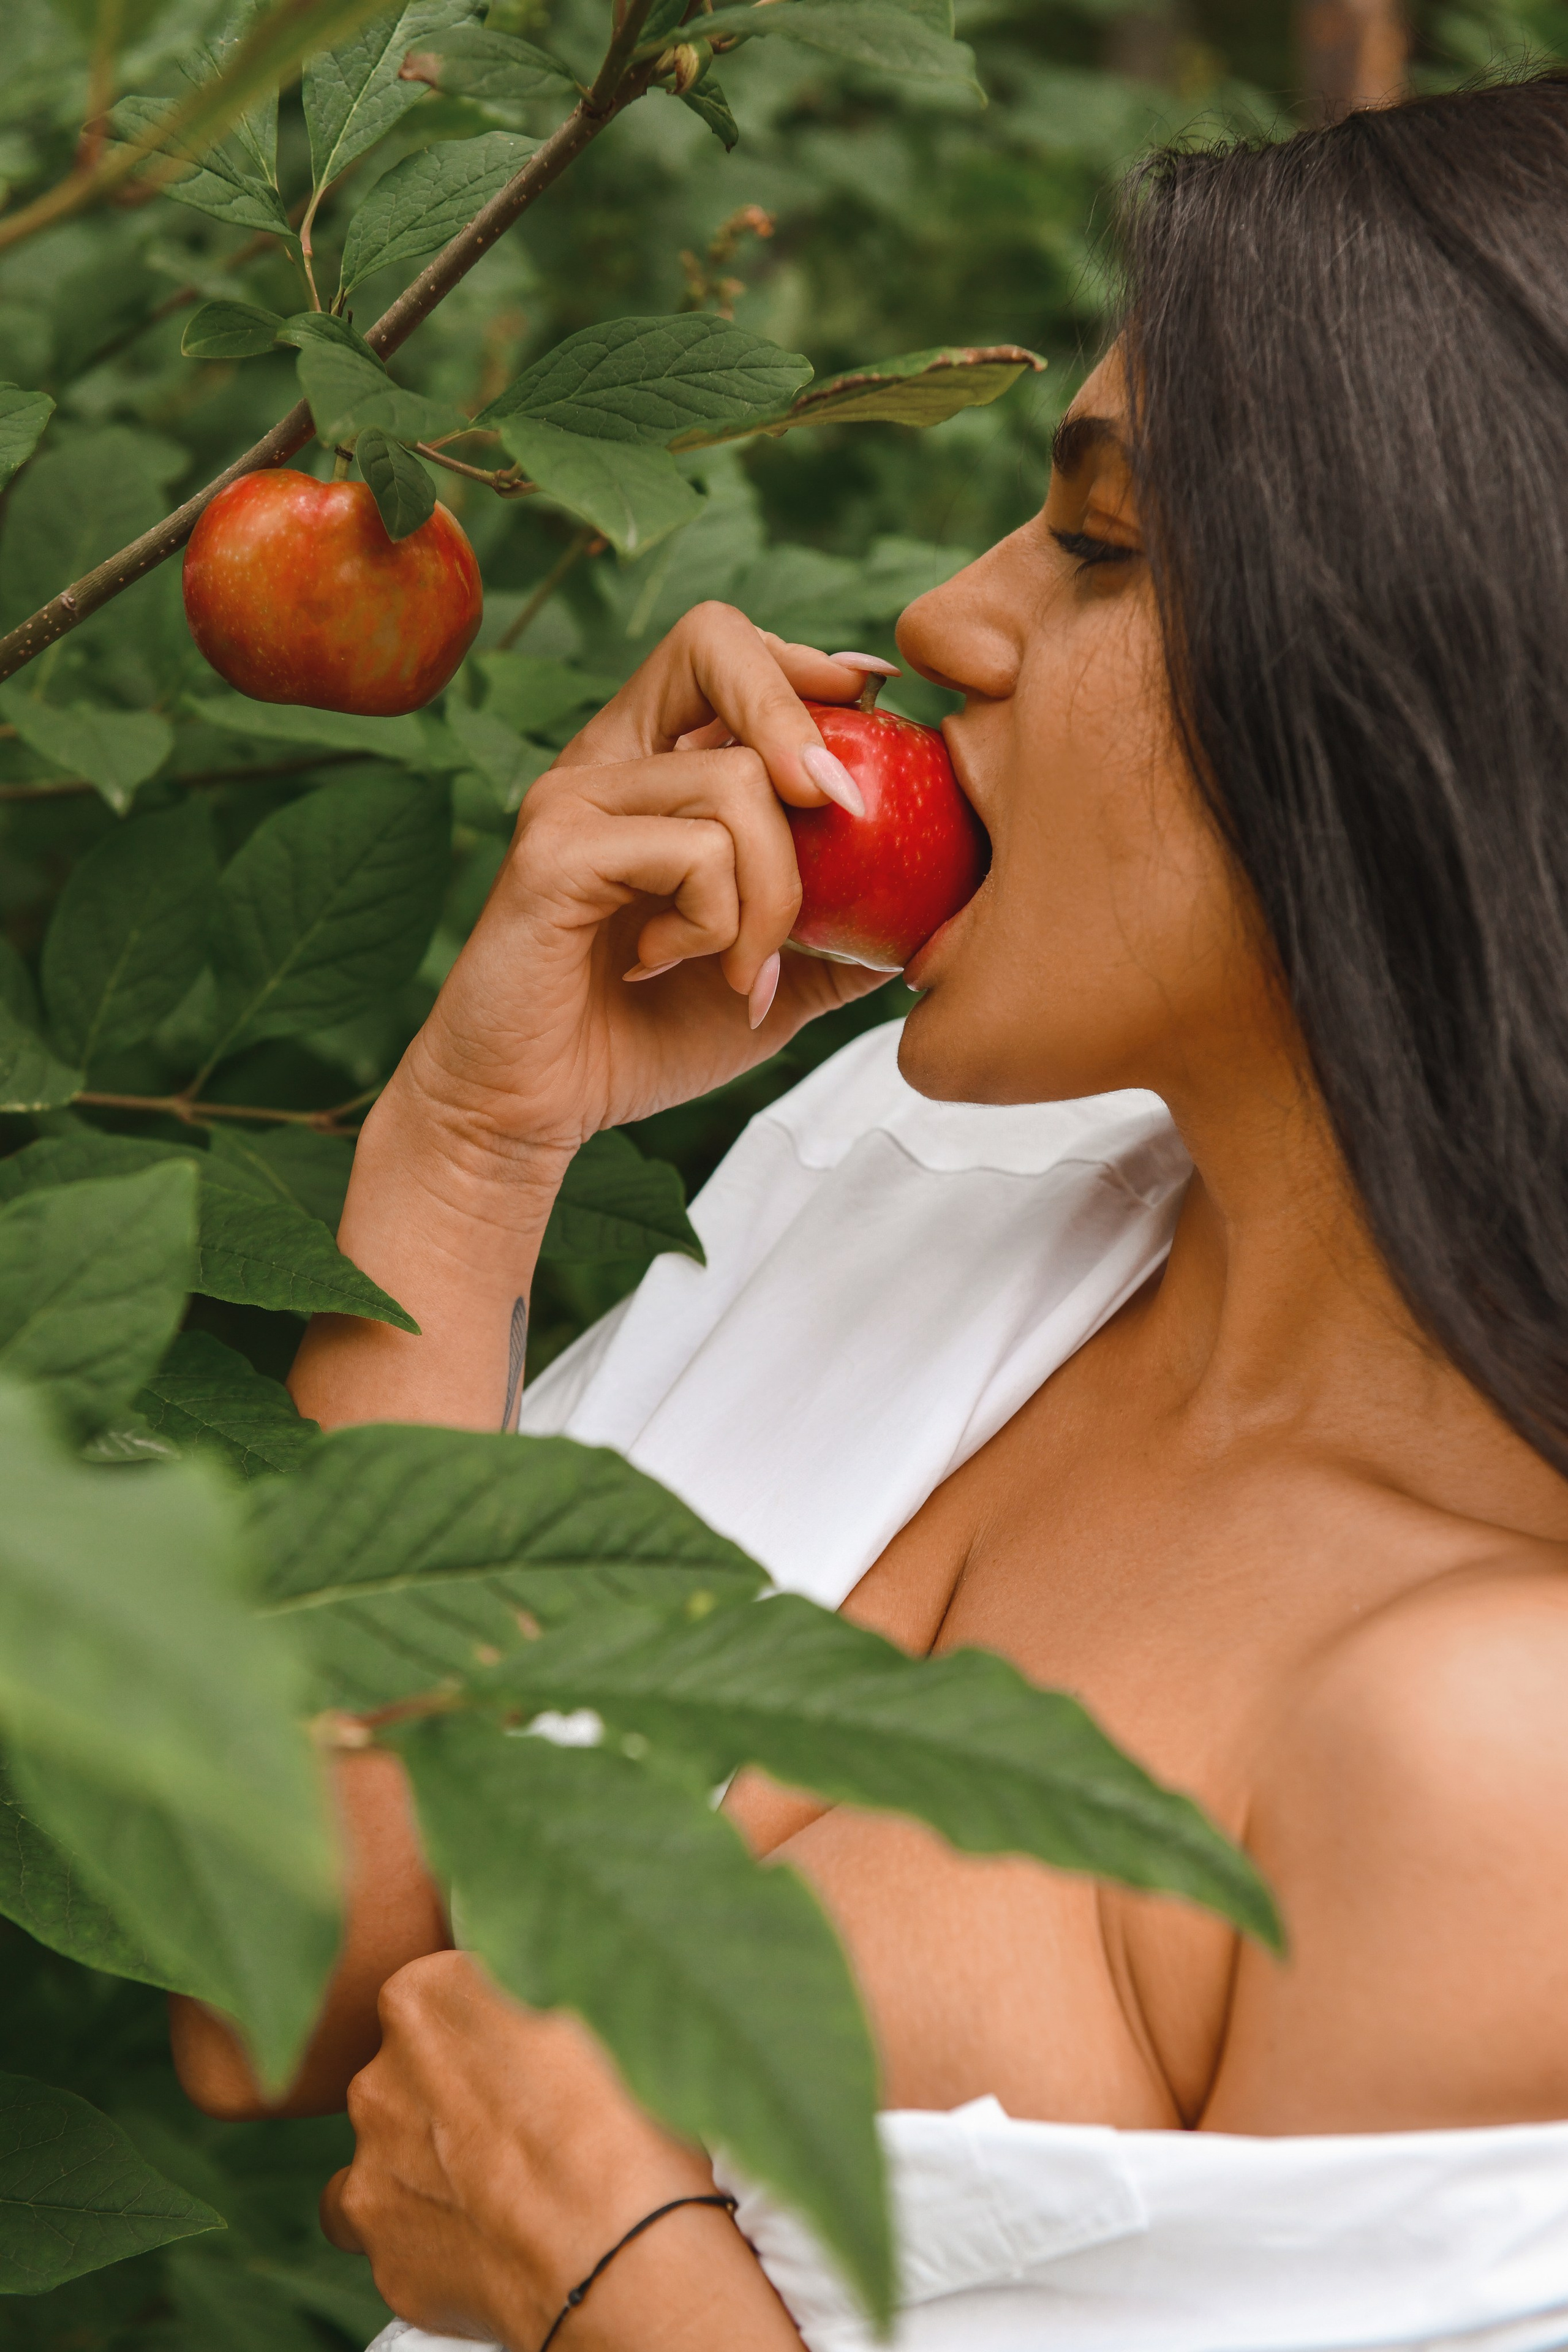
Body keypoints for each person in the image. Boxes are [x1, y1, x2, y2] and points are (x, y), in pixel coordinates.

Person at [173, 74, 1568, 2352]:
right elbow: (271, 1984)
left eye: (1101, 550)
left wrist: (616, 2283)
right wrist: (467, 1149)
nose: (943, 617)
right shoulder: (914, 1195)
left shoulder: (1495, 1756)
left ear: (1432, 680)